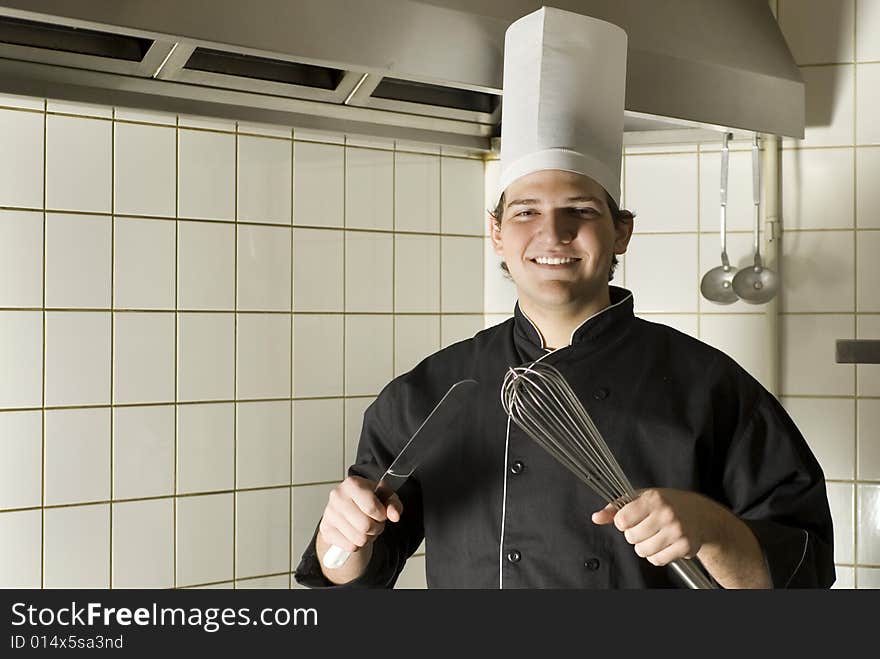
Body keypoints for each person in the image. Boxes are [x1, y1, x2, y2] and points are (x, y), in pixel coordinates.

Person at [293, 8, 834, 589]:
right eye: (526, 212)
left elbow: (801, 574)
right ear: (497, 233)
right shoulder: (430, 393)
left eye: (580, 211)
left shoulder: (711, 389)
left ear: (621, 230)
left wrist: (712, 528)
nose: (553, 235)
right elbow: (350, 577)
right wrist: (339, 536)